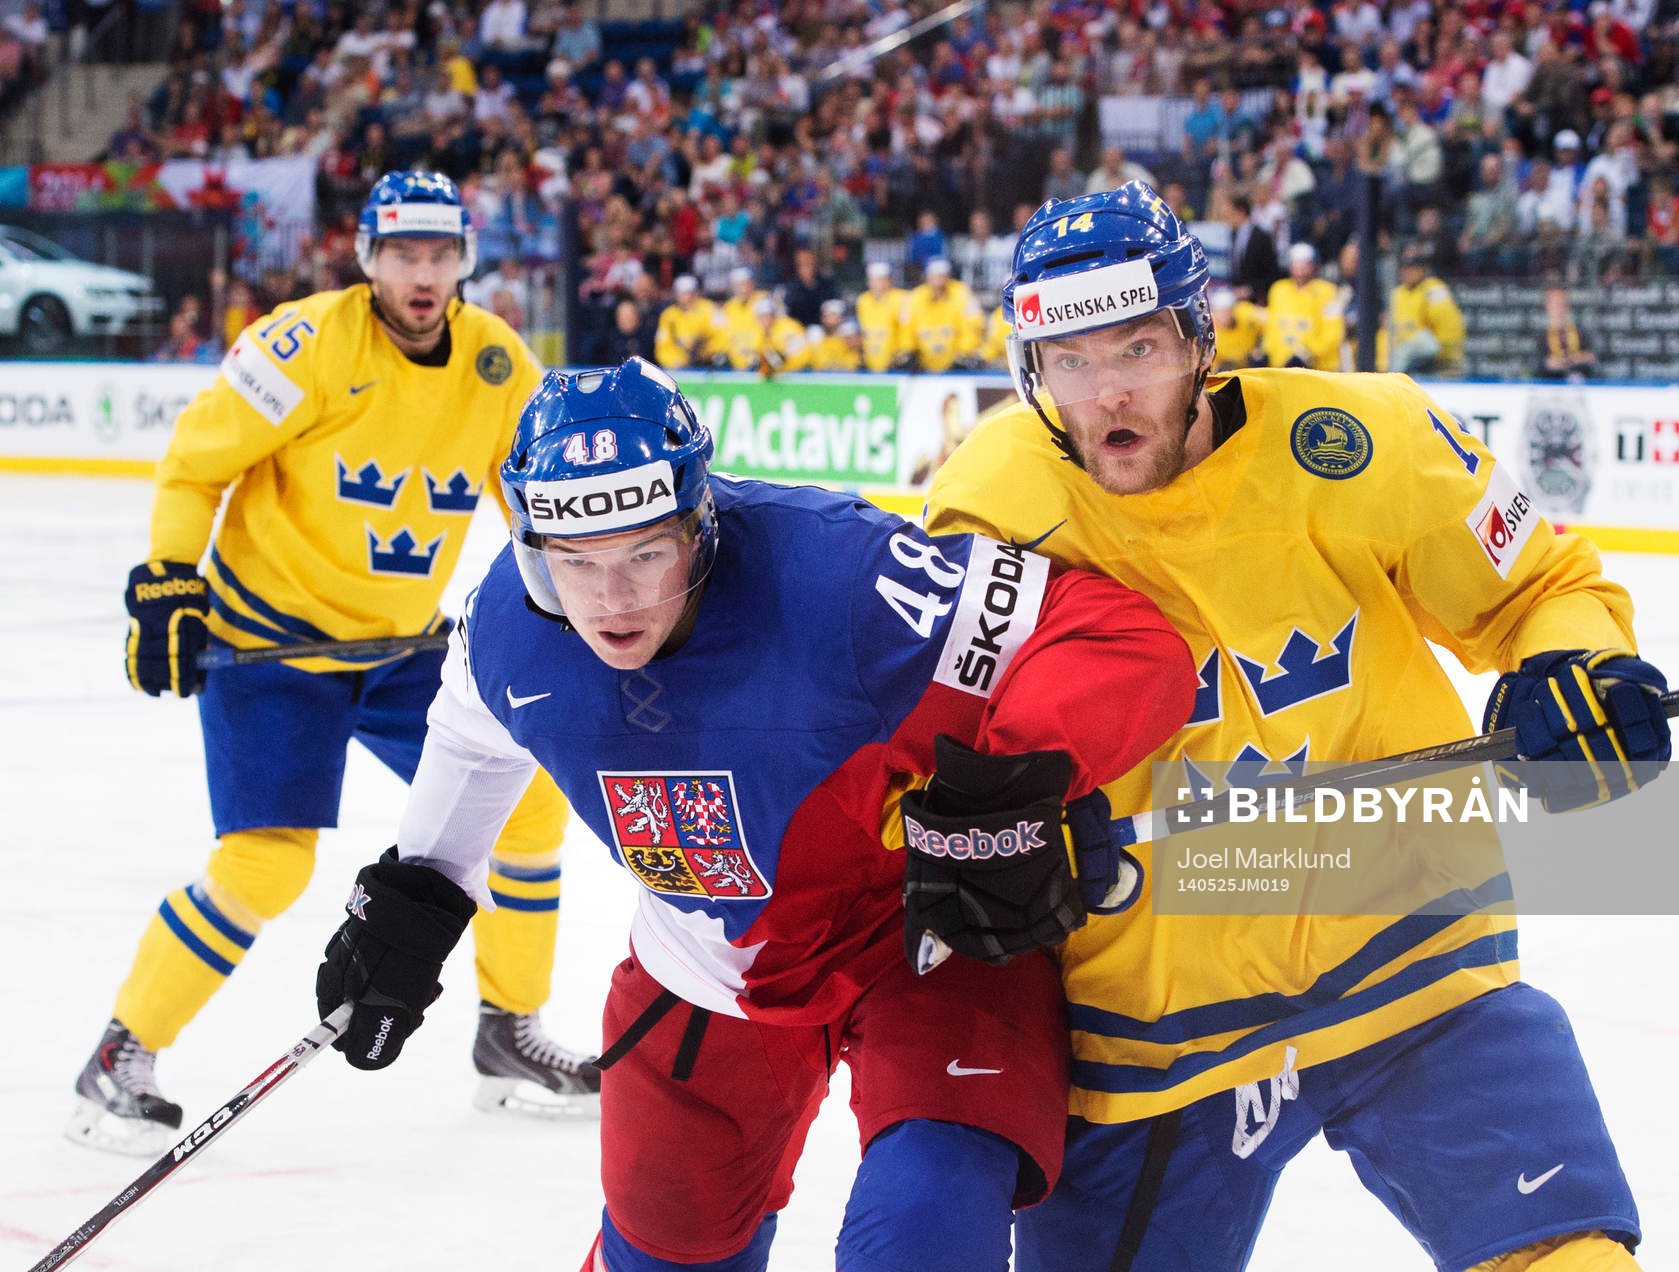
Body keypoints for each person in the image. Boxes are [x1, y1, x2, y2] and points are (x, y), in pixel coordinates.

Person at [925, 181, 1671, 1271]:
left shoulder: (1358, 437)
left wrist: (1581, 663)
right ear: (1029, 369)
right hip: (1154, 1019)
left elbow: (1537, 584)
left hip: (1409, 958)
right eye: (1070, 362)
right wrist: (974, 834)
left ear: (1198, 339)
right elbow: (937, 741)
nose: (1105, 395)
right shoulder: (992, 502)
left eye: (1136, 349)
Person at [312, 357, 1194, 1270]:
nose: (613, 602)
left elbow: (1118, 638)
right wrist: (419, 892)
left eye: (647, 555)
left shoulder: (843, 576)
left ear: (703, 527)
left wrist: (1009, 783)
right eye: (576, 564)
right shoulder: (507, 625)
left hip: (925, 938)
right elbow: (469, 739)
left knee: (927, 1229)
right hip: (703, 967)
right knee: (661, 1255)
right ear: (534, 551)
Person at [78, 171, 597, 1156]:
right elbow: (196, 463)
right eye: (405, 252)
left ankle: (505, 1032)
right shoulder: (303, 342)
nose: (425, 272)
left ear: (465, 262)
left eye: (443, 253)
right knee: (268, 865)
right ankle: (120, 1053)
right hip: (272, 642)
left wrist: (576, 603)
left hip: (403, 648)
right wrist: (166, 579)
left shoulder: (497, 363)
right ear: (367, 258)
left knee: (527, 805)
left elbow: (530, 506)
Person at [1383, 243, 1466, 374]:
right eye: (1405, 266)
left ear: (1424, 268)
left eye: (1415, 265)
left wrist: (1443, 358)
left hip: (1434, 362)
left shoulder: (1434, 289)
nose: (1409, 270)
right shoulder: (1397, 294)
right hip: (1401, 359)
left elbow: (1450, 332)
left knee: (1424, 340)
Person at [1263, 242, 1344, 370]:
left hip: (1317, 368)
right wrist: (1267, 352)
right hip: (1281, 366)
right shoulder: (1279, 290)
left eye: (1305, 263)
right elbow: (1272, 326)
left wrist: (1309, 352)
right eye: (1296, 263)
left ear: (1313, 265)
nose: (1300, 268)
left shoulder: (1328, 292)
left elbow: (1333, 332)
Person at [900, 258, 985, 372]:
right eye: (935, 276)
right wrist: (909, 351)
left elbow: (972, 326)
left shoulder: (962, 293)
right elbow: (906, 326)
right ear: (928, 277)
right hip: (922, 364)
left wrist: (964, 352)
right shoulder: (916, 297)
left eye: (942, 276)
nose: (939, 281)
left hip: (955, 363)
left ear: (948, 277)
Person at [653, 275, 718, 371]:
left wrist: (707, 352)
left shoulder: (709, 309)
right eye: (683, 293)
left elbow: (721, 336)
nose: (687, 297)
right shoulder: (669, 315)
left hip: (707, 365)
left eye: (690, 293)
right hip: (678, 368)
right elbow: (662, 346)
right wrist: (673, 361)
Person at [1536, 284, 1600, 382]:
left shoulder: (1580, 332)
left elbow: (1591, 358)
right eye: (1556, 304)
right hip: (1549, 389)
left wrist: (1568, 361)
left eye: (1563, 303)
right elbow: (1540, 364)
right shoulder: (1541, 336)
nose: (1560, 308)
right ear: (1547, 306)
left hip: (1581, 387)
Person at [856, 260, 909, 372]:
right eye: (875, 279)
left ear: (889, 280)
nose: (880, 283)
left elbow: (906, 329)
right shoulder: (863, 300)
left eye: (883, 279)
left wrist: (903, 352)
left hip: (894, 362)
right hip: (871, 359)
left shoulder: (901, 298)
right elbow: (863, 330)